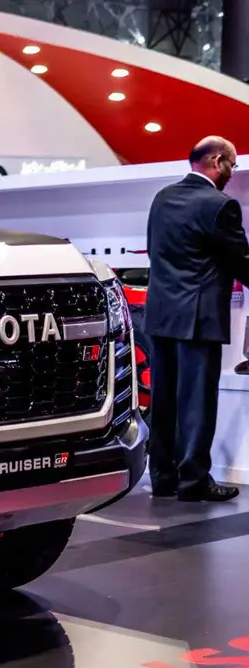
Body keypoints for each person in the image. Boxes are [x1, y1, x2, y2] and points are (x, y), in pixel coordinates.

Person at [144, 136, 249, 503]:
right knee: (197, 403)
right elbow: (241, 262)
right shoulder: (220, 206)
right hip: (198, 319)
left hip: (160, 316)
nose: (231, 174)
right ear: (217, 161)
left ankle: (163, 478)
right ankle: (193, 482)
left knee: (164, 402)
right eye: (232, 166)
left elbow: (157, 254)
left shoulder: (162, 198)